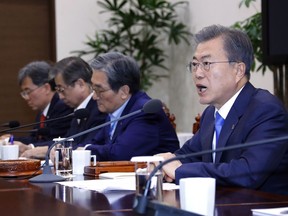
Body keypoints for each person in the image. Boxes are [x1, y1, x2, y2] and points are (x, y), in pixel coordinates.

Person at [157, 25, 288, 195]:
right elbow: (189, 155)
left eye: (206, 63)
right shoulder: (211, 114)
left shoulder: (266, 110)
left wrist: (180, 171)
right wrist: (163, 162)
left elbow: (247, 172)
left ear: (238, 70)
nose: (197, 73)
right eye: (195, 64)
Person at [78, 52, 180, 161]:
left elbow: (121, 154)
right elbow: (95, 143)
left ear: (124, 91)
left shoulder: (144, 112)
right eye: (94, 89)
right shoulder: (116, 110)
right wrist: (70, 150)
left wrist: (85, 151)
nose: (94, 97)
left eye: (99, 90)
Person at [21, 57, 107, 158]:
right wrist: (35, 149)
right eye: (58, 91)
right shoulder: (79, 111)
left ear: (80, 84)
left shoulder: (99, 109)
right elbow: (67, 141)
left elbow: (87, 147)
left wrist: (44, 150)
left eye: (62, 90)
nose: (60, 97)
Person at [2, 61, 73, 155]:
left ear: (46, 88)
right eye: (24, 93)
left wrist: (30, 147)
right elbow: (35, 138)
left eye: (28, 91)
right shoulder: (43, 111)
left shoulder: (63, 107)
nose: (26, 98)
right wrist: (11, 140)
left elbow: (53, 140)